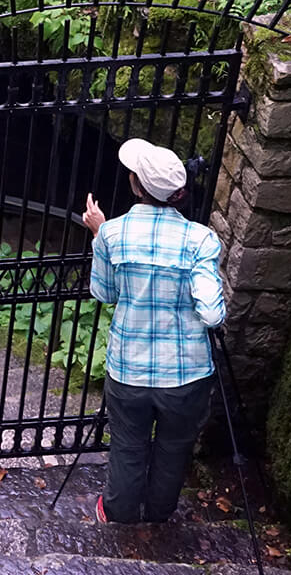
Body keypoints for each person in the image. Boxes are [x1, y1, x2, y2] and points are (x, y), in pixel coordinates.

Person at [81, 137, 226, 524]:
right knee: (174, 447)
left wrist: (99, 234)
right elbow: (212, 314)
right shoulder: (200, 239)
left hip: (129, 369)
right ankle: (160, 513)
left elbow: (105, 293)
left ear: (136, 185)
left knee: (128, 444)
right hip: (186, 375)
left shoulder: (112, 234)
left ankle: (118, 512)